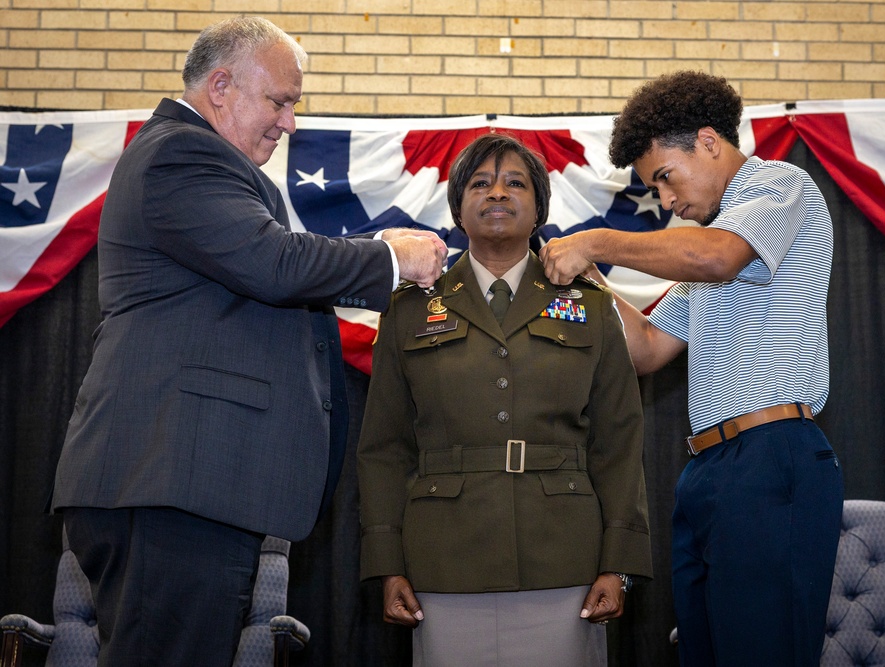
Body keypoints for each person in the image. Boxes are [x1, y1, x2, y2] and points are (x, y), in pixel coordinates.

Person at [50, 16, 447, 667]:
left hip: (185, 485)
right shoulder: (181, 153)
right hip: (169, 482)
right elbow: (274, 263)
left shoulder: (201, 159)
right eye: (280, 102)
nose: (289, 122)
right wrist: (388, 257)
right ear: (221, 87)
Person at [540, 71, 844, 666]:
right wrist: (588, 280)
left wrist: (596, 241)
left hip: (771, 454)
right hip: (708, 469)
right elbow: (648, 349)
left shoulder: (778, 186)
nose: (667, 201)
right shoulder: (709, 249)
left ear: (708, 141)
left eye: (665, 177)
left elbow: (719, 258)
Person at [356, 133, 653, 666]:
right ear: (457, 210)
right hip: (443, 561)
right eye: (480, 184)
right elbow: (384, 447)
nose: (497, 193)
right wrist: (387, 563)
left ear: (539, 209)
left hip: (565, 559)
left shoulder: (590, 304)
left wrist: (619, 562)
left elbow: (619, 440)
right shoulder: (408, 309)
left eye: (515, 183)